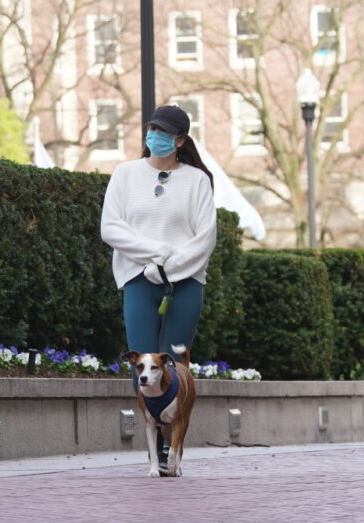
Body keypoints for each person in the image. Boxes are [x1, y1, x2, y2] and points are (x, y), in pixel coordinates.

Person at [100, 105, 217, 474]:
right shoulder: (125, 174)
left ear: (180, 140)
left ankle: (172, 447)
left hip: (185, 283)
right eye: (152, 129)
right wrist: (153, 259)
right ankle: (158, 451)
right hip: (138, 279)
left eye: (165, 132)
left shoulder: (197, 180)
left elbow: (205, 238)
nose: (156, 137)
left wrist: (168, 266)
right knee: (145, 367)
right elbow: (111, 228)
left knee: (175, 368)